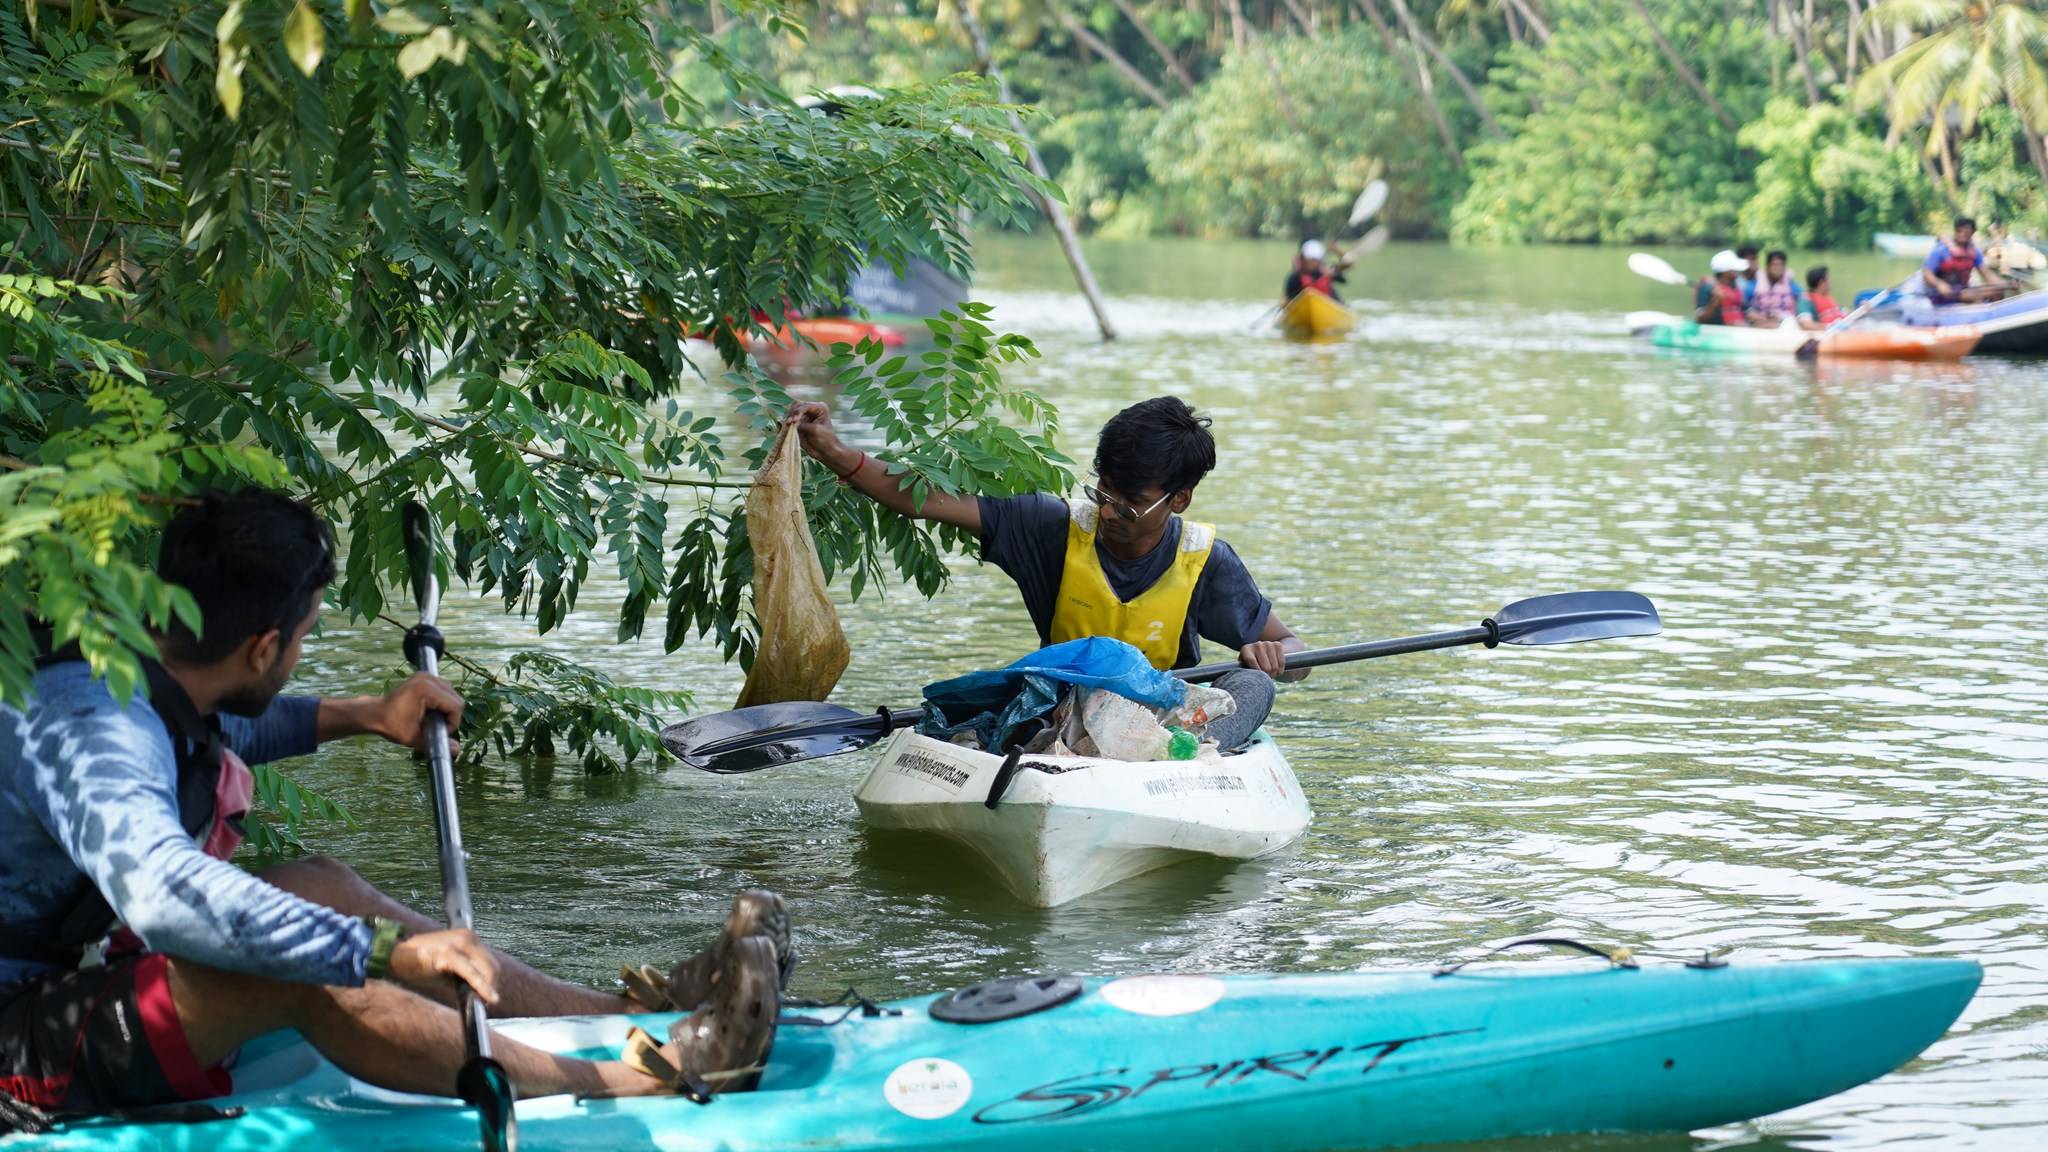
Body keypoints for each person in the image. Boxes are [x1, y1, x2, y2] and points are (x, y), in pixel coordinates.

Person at [0, 489, 783, 1121]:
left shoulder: (130, 658)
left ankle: (619, 1012)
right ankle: (637, 1079)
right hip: (16, 1040)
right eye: (303, 637)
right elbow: (164, 896)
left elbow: (210, 722)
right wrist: (383, 953)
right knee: (301, 972)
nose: (299, 652)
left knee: (322, 884)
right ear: (264, 647)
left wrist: (370, 714)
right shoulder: (95, 727)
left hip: (56, 985)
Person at [789, 395, 1307, 752]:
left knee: (1252, 684)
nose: (1108, 512)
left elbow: (1296, 654)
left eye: (1129, 503)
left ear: (1179, 500)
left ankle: (1193, 756)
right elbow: (923, 501)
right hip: (1059, 713)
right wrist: (834, 451)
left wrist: (1275, 656)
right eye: (1102, 491)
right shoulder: (1049, 527)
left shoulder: (1207, 560)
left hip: (1164, 723)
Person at [1922, 216, 2010, 304]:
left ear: (1972, 233)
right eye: (1959, 231)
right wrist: (1939, 284)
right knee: (1975, 296)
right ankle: (1978, 308)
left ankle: (1993, 310)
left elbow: (1986, 273)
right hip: (1941, 293)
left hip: (1963, 290)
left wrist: (2005, 284)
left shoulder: (1975, 252)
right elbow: (1927, 273)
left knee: (1997, 292)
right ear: (1955, 231)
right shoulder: (1941, 250)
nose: (1963, 234)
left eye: (1967, 232)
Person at [1747, 249, 1804, 323]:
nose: (1778, 268)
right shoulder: (1754, 285)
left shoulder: (1793, 286)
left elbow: (1802, 303)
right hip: (1761, 321)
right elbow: (1746, 307)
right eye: (1775, 265)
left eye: (1781, 265)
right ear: (1767, 267)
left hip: (1785, 322)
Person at [1695, 250, 1749, 326]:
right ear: (1726, 271)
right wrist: (1715, 300)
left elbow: (1745, 309)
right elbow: (1700, 319)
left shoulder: (1734, 286)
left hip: (1739, 327)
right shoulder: (1706, 287)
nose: (1737, 271)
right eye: (1734, 269)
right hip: (1718, 329)